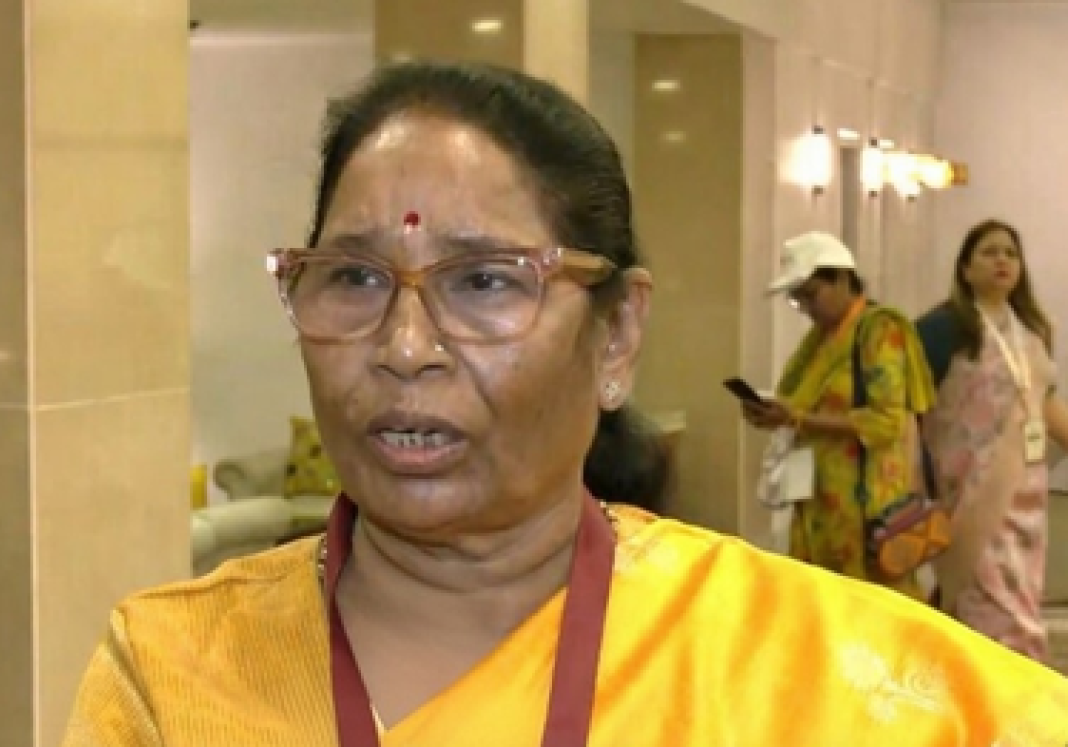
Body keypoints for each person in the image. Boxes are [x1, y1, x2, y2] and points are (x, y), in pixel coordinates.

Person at [63, 62, 1068, 746]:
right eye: (354, 278)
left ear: (617, 335)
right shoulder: (176, 672)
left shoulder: (804, 670)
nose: (404, 348)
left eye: (484, 281)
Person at [741, 232, 938, 598]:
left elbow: (886, 422)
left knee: (870, 608)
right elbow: (800, 404)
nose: (807, 308)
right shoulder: (820, 340)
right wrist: (773, 414)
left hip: (866, 509)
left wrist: (798, 418)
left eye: (811, 295)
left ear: (843, 279)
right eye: (797, 300)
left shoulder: (879, 331)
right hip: (819, 501)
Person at [917, 219, 1068, 662]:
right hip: (968, 495)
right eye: (989, 252)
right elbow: (910, 406)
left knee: (1019, 603)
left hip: (1024, 500)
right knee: (982, 606)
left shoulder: (1031, 335)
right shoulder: (943, 329)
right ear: (965, 268)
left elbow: (1045, 405)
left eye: (1010, 253)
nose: (1002, 260)